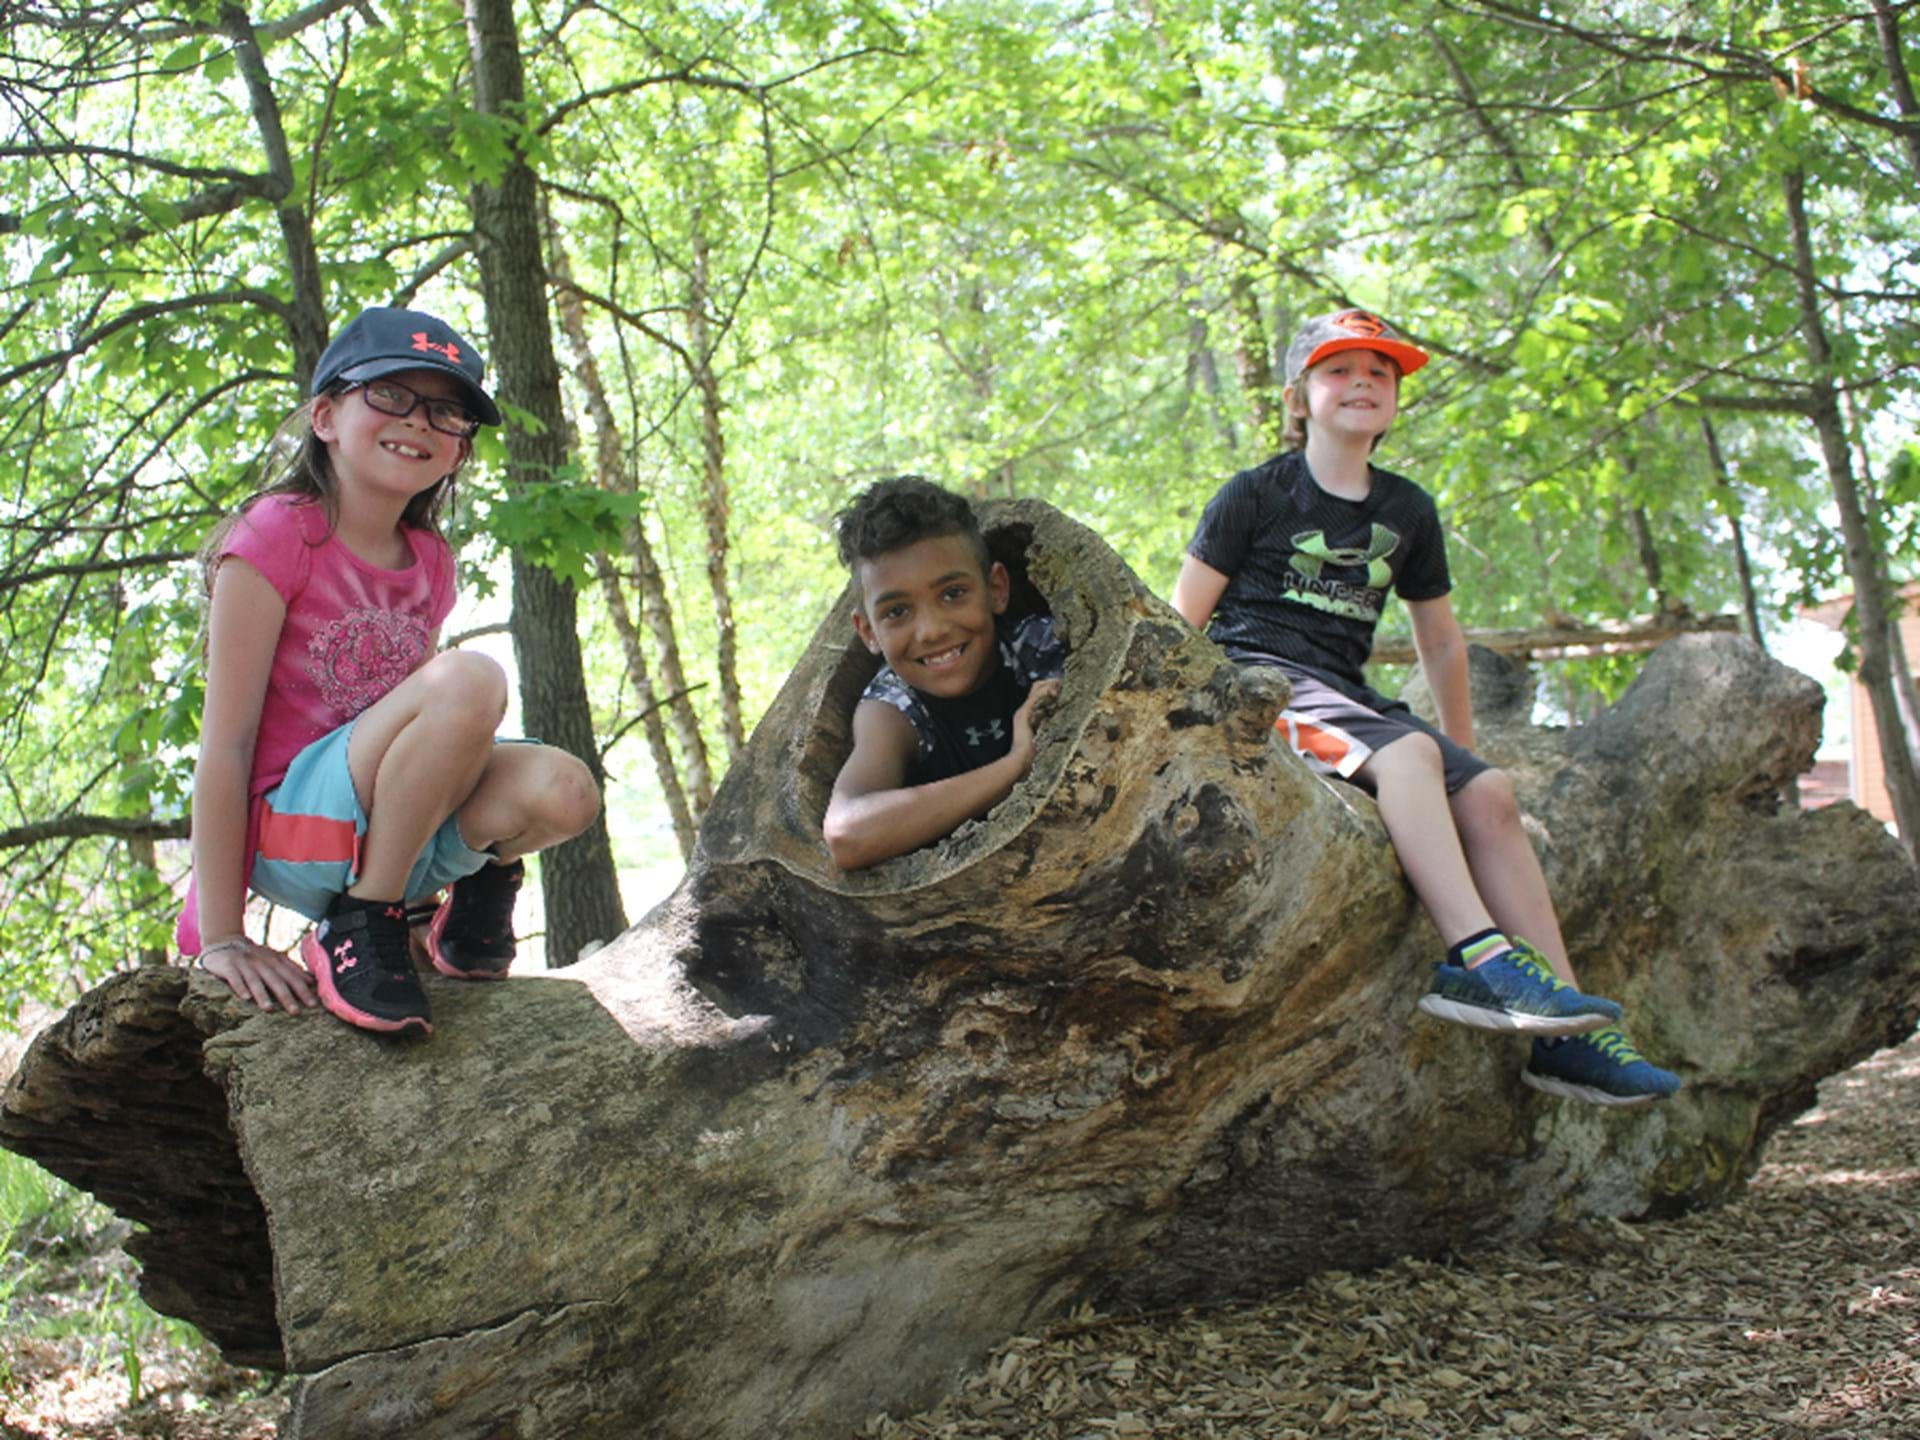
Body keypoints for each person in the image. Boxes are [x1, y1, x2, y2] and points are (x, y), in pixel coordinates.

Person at [1170, 309, 1679, 1107]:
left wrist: (1463, 754)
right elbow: (1181, 620)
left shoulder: (1405, 510)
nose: (1362, 383)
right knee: (1405, 756)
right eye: (1339, 369)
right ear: (1299, 396)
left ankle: (1571, 1042)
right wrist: (1188, 727)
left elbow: (1441, 643)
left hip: (1345, 689)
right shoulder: (1256, 495)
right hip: (1258, 676)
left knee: (1490, 793)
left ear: (1397, 399)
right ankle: (1480, 962)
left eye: (1381, 372)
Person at [180, 305, 601, 1035]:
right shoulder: (275, 536)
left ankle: (446, 899)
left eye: (446, 412)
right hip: (291, 827)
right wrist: (221, 934)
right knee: (470, 678)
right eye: (388, 394)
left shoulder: (430, 563)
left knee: (567, 791)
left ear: (461, 451)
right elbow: (226, 746)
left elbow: (426, 735)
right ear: (325, 415)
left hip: (384, 822)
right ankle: (361, 924)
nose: (417, 423)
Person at [824, 476, 1064, 871]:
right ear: (869, 632)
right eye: (897, 612)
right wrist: (1015, 765)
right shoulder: (893, 706)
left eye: (952, 594)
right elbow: (847, 833)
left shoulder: (1037, 647)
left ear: (996, 589)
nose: (932, 630)